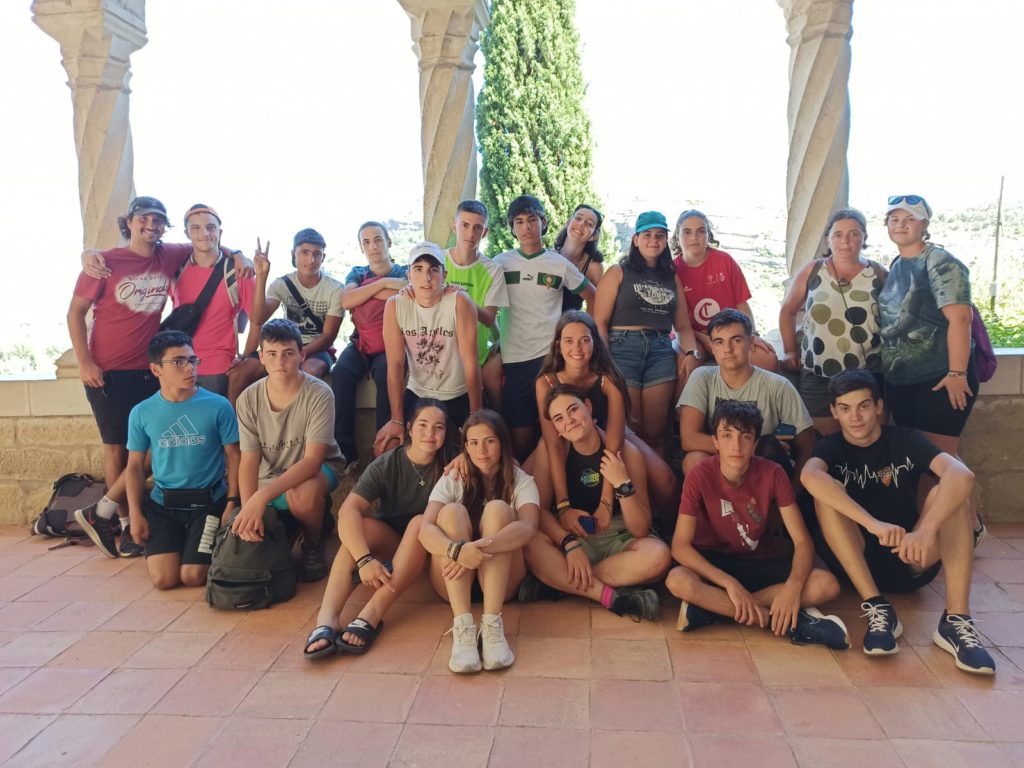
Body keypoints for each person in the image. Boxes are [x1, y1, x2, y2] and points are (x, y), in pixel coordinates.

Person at [801, 369, 995, 674]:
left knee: (953, 494)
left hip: (910, 554)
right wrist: (873, 524)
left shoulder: (905, 439)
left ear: (879, 407)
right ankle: (877, 607)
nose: (856, 417)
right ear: (834, 412)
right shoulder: (832, 446)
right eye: (845, 408)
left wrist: (925, 532)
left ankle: (956, 621)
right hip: (857, 559)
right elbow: (809, 476)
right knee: (825, 491)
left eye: (864, 406)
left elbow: (962, 475)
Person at [69, 196, 195, 556]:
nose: (151, 226)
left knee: (150, 446)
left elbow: (206, 243)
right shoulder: (105, 263)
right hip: (107, 371)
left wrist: (240, 257)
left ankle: (108, 511)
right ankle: (121, 525)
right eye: (144, 219)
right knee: (117, 448)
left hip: (148, 371)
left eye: (158, 220)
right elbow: (75, 313)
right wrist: (84, 361)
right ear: (129, 222)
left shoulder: (167, 255)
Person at [666, 400, 848, 649]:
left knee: (826, 585)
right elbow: (680, 547)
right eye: (727, 436)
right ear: (716, 442)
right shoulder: (699, 475)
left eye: (745, 437)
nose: (736, 446)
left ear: (755, 443)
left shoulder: (773, 473)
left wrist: (793, 589)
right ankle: (784, 621)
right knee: (677, 580)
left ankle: (715, 611)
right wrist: (730, 584)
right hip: (716, 563)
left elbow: (802, 541)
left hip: (759, 559)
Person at [304, 399, 455, 659]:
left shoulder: (453, 460)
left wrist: (466, 459)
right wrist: (364, 559)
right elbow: (348, 510)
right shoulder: (388, 463)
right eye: (422, 425)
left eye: (438, 427)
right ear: (409, 428)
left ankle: (371, 614)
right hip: (395, 543)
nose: (430, 433)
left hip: (434, 549)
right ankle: (326, 620)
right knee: (357, 531)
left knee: (421, 523)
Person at [877, 195, 985, 542]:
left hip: (940, 378)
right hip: (904, 380)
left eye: (910, 218)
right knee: (933, 459)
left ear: (925, 223)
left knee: (938, 462)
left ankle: (952, 535)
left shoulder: (940, 262)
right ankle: (966, 528)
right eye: (894, 218)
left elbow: (961, 318)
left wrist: (956, 374)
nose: (901, 224)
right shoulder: (897, 263)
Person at [523, 385, 670, 620]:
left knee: (658, 556)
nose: (569, 421)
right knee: (530, 543)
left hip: (617, 537)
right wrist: (569, 544)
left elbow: (640, 528)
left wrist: (622, 484)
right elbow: (537, 511)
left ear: (589, 407)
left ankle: (560, 582)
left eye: (573, 410)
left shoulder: (627, 452)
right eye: (559, 419)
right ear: (555, 428)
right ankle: (614, 598)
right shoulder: (550, 452)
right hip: (574, 536)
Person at [534, 310, 679, 528]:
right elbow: (553, 444)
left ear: (595, 342)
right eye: (569, 341)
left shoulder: (607, 378)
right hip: (566, 431)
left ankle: (671, 533)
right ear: (558, 346)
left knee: (665, 479)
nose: (577, 349)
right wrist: (563, 504)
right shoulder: (546, 381)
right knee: (527, 483)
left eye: (584, 340)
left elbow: (615, 438)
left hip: (610, 429)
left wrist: (606, 500)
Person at [420, 410, 539, 673]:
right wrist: (458, 551)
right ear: (465, 447)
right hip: (452, 579)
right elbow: (425, 529)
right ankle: (463, 626)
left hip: (500, 583)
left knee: (498, 509)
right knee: (451, 512)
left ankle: (492, 626)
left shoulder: (521, 481)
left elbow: (529, 527)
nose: (481, 450)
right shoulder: (452, 477)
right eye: (473, 443)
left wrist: (477, 549)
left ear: (503, 443)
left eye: (490, 441)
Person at [118, 331, 240, 589]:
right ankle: (178, 544)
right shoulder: (141, 413)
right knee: (164, 580)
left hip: (208, 504)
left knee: (193, 577)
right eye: (178, 362)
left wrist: (232, 501)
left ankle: (195, 548)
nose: (189, 368)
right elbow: (135, 467)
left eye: (193, 360)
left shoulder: (218, 406)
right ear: (155, 369)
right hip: (164, 506)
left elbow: (235, 456)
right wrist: (135, 514)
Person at [233, 319, 347, 582]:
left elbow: (312, 461)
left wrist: (260, 498)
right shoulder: (248, 399)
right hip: (268, 475)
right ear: (261, 358)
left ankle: (312, 543)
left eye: (288, 353)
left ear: (302, 355)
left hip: (319, 469)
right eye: (271, 354)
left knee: (302, 493)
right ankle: (312, 521)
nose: (280, 362)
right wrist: (248, 507)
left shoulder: (319, 394)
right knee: (254, 538)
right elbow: (249, 460)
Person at [493, 195, 594, 460]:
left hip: (550, 360)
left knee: (558, 433)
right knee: (521, 439)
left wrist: (590, 335)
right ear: (512, 228)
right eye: (519, 221)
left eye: (532, 220)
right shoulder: (499, 264)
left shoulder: (559, 264)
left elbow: (593, 296)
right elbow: (484, 307)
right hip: (514, 360)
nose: (526, 227)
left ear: (544, 223)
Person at [593, 211, 700, 459]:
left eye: (660, 235)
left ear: (666, 240)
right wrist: (606, 363)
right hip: (622, 349)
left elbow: (683, 327)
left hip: (660, 351)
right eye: (648, 235)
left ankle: (657, 494)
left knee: (656, 431)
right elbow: (599, 321)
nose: (654, 240)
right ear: (636, 239)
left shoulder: (671, 277)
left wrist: (692, 353)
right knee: (631, 428)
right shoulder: (618, 272)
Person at [678, 309, 815, 490]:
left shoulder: (778, 386)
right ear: (712, 346)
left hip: (765, 471)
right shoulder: (702, 377)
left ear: (751, 343)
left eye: (736, 340)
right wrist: (751, 448)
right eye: (719, 342)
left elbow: (808, 448)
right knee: (694, 460)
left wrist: (794, 496)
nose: (727, 350)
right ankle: (722, 516)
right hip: (724, 468)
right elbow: (689, 439)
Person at [780, 208, 886, 435]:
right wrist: (789, 350)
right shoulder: (813, 270)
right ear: (828, 238)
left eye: (854, 234)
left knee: (865, 442)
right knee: (822, 445)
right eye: (838, 235)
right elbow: (788, 311)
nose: (845, 241)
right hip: (818, 375)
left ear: (864, 238)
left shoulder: (878, 274)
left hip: (866, 373)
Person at [372, 243, 482, 455]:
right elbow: (395, 365)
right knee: (385, 449)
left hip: (457, 394)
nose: (427, 278)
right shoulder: (396, 305)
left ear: (444, 274)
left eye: (433, 270)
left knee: (471, 454)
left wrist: (476, 414)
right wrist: (396, 419)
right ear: (409, 274)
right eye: (419, 269)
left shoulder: (459, 302)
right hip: (419, 393)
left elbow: (471, 362)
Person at [332, 221, 408, 468]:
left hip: (392, 343)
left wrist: (365, 292)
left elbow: (408, 292)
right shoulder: (356, 272)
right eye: (366, 242)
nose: (373, 246)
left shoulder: (404, 271)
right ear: (361, 247)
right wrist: (383, 284)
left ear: (389, 242)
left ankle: (383, 450)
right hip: (361, 342)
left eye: (378, 239)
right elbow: (346, 301)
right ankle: (346, 455)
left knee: (387, 372)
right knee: (341, 372)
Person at [671, 209, 777, 371]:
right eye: (687, 232)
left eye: (701, 231)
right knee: (683, 364)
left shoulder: (725, 261)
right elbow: (677, 324)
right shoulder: (671, 271)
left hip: (730, 333)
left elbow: (741, 304)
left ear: (708, 235)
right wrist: (706, 340)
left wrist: (752, 335)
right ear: (677, 236)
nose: (694, 237)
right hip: (694, 336)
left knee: (767, 360)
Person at [248, 227, 344, 381]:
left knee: (309, 371)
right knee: (240, 374)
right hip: (283, 345)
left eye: (316, 254)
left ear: (323, 257)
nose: (311, 260)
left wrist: (297, 354)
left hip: (317, 349)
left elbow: (328, 336)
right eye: (304, 253)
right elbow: (258, 319)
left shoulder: (335, 288)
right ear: (294, 254)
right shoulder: (281, 284)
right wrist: (261, 276)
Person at [556, 204, 605, 313]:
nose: (581, 224)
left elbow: (600, 303)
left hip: (569, 326)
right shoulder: (549, 256)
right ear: (568, 222)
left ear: (593, 236)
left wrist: (586, 326)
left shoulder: (594, 266)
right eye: (578, 218)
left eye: (589, 224)